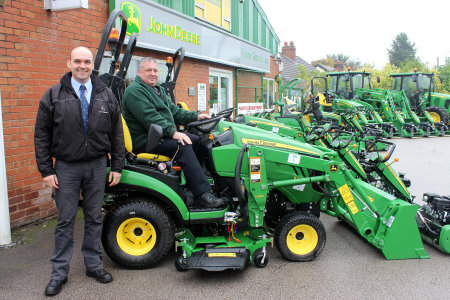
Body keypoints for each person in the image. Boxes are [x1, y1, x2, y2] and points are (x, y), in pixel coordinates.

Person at [34, 46, 125, 296]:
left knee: (95, 217)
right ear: (68, 64)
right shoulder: (53, 96)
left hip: (97, 165)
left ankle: (94, 265)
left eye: (87, 61)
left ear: (93, 64)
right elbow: (41, 135)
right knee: (65, 220)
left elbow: (116, 132)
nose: (82, 65)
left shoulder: (106, 94)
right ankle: (59, 273)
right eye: (77, 61)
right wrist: (46, 169)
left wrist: (116, 165)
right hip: (66, 167)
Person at [122, 57, 225, 208]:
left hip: (158, 136)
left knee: (197, 140)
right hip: (146, 141)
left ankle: (197, 184)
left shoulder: (157, 89)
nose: (153, 74)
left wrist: (196, 116)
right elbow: (150, 118)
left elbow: (175, 111)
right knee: (182, 145)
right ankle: (202, 195)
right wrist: (173, 133)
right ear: (139, 72)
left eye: (155, 70)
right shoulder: (135, 91)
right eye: (148, 70)